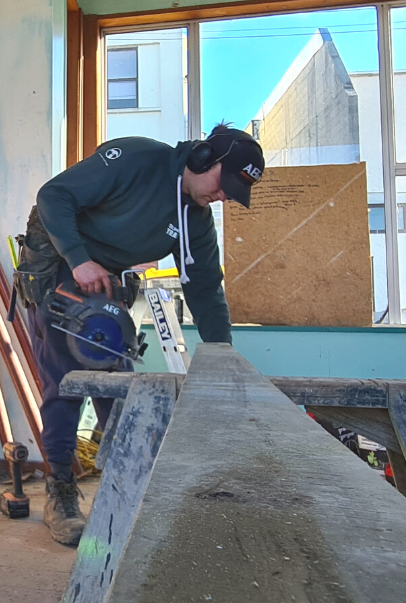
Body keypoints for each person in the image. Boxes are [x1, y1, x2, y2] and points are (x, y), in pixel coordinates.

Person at [14, 123, 264, 545]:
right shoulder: (137, 159)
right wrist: (78, 260)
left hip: (103, 284)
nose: (223, 198)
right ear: (205, 158)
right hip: (60, 261)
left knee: (121, 382)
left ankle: (124, 485)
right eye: (225, 185)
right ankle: (59, 488)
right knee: (65, 382)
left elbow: (204, 288)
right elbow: (53, 196)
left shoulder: (196, 221)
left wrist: (223, 353)